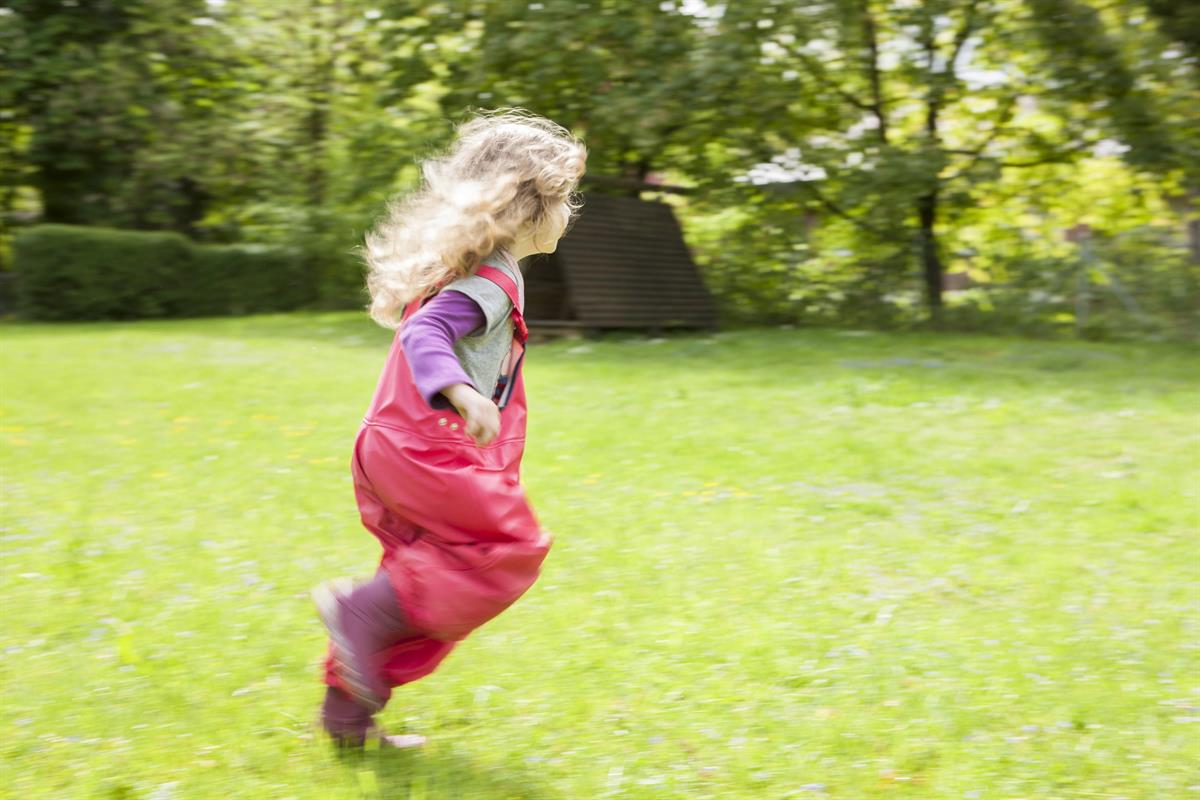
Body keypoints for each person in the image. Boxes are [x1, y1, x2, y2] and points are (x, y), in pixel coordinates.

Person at [313, 109, 587, 748]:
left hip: (392, 445)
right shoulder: (491, 278)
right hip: (426, 447)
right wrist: (463, 393)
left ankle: (349, 720)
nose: (570, 213)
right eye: (564, 199)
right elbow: (423, 332)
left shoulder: (465, 267)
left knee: (415, 576)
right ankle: (359, 612)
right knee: (501, 552)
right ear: (526, 205)